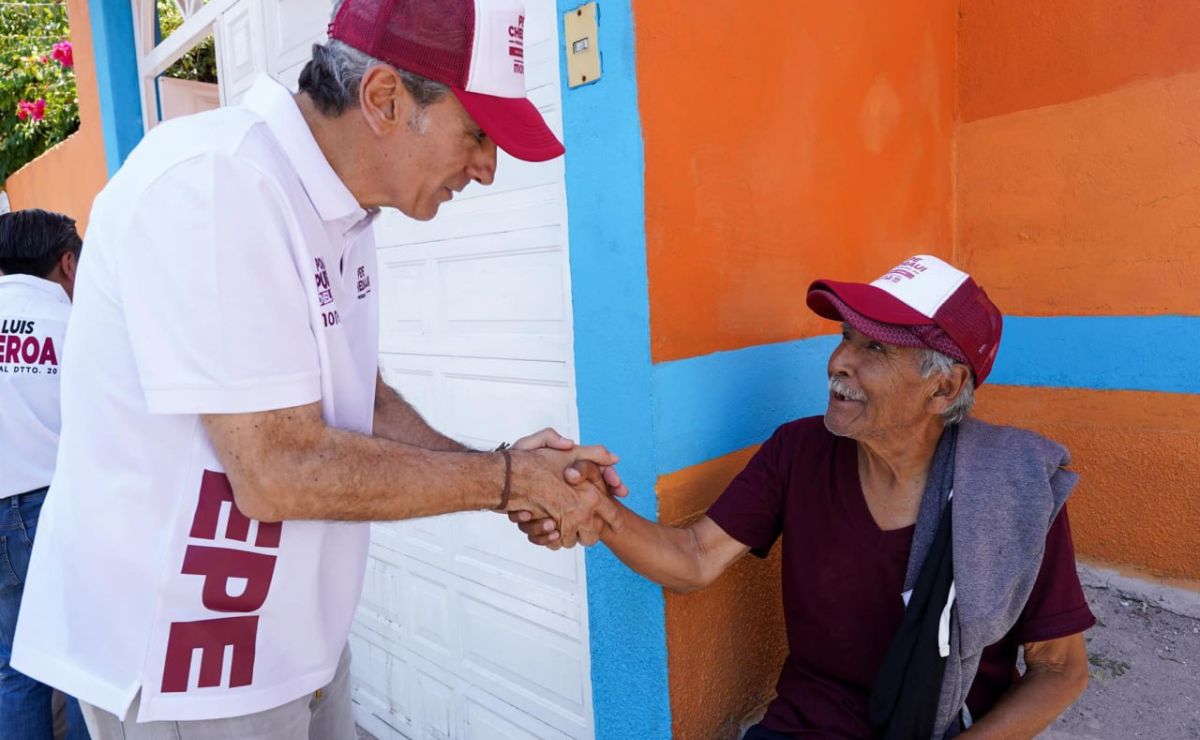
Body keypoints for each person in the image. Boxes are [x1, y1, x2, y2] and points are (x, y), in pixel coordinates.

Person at [12, 1, 624, 738]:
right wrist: (503, 481)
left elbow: (355, 395)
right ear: (384, 100)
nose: (488, 169)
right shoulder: (217, 183)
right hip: (188, 661)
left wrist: (503, 469)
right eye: (479, 134)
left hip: (289, 642)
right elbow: (278, 470)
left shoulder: (338, 206)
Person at [514, 255, 1095, 738]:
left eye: (877, 349)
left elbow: (1060, 669)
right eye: (846, 337)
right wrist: (600, 509)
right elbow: (693, 559)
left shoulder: (1011, 487)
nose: (839, 362)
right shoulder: (798, 451)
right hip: (805, 727)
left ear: (943, 387)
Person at [0, 208, 89, 739]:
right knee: (80, 663)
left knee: (14, 669)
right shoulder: (75, 326)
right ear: (66, 263)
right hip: (58, 507)